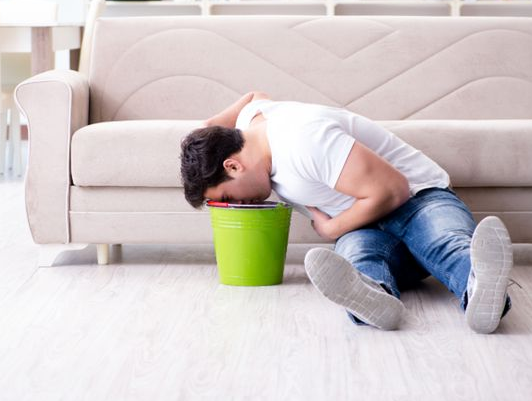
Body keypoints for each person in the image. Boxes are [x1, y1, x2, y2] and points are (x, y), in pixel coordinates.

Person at [180, 91, 513, 333]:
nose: (239, 206)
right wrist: (204, 133)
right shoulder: (250, 123)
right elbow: (253, 96)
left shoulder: (303, 141)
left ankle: (481, 288)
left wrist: (332, 229)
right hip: (366, 226)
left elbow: (393, 190)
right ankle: (376, 301)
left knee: (443, 241)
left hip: (418, 198)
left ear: (233, 166)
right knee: (358, 259)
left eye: (228, 197)